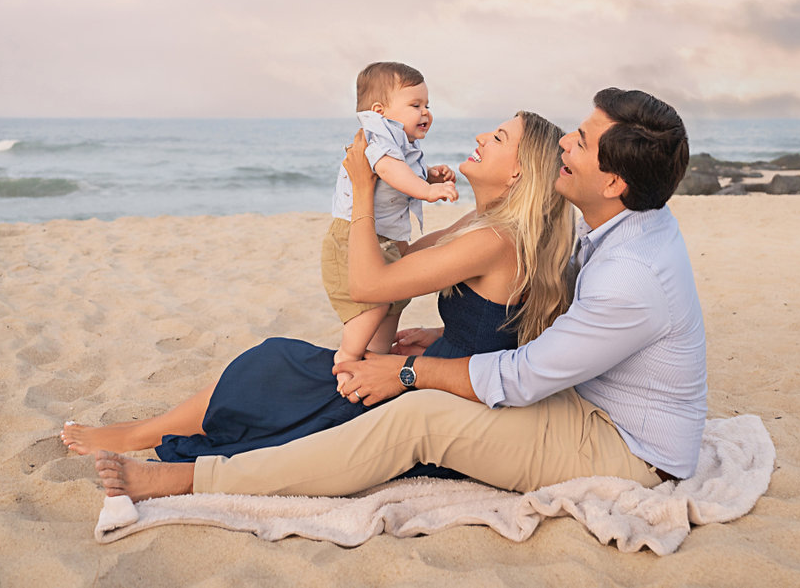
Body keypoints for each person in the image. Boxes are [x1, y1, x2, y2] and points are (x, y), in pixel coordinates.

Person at [94, 87, 707, 502]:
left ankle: (195, 480)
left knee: (414, 416)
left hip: (627, 449)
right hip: (581, 402)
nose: (565, 148)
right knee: (324, 373)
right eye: (571, 133)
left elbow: (524, 375)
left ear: (615, 181)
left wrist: (412, 372)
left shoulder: (633, 275)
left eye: (580, 141)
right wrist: (438, 341)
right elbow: (528, 328)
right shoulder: (613, 224)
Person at [62, 111, 575, 461]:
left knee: (275, 362)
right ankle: (154, 427)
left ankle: (140, 434)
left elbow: (369, 283)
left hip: (437, 396)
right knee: (285, 365)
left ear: (518, 175)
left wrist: (362, 192)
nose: (483, 138)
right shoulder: (480, 229)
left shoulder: (492, 238)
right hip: (441, 366)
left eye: (500, 139)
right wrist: (441, 329)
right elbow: (409, 269)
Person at [327, 62, 460, 392]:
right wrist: (427, 190)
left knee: (395, 303)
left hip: (388, 238)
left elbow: (404, 172)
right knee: (376, 303)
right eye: (415, 105)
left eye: (427, 105)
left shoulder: (399, 140)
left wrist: (427, 174)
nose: (425, 112)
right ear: (379, 110)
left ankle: (377, 356)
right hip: (357, 237)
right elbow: (389, 172)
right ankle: (347, 356)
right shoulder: (376, 136)